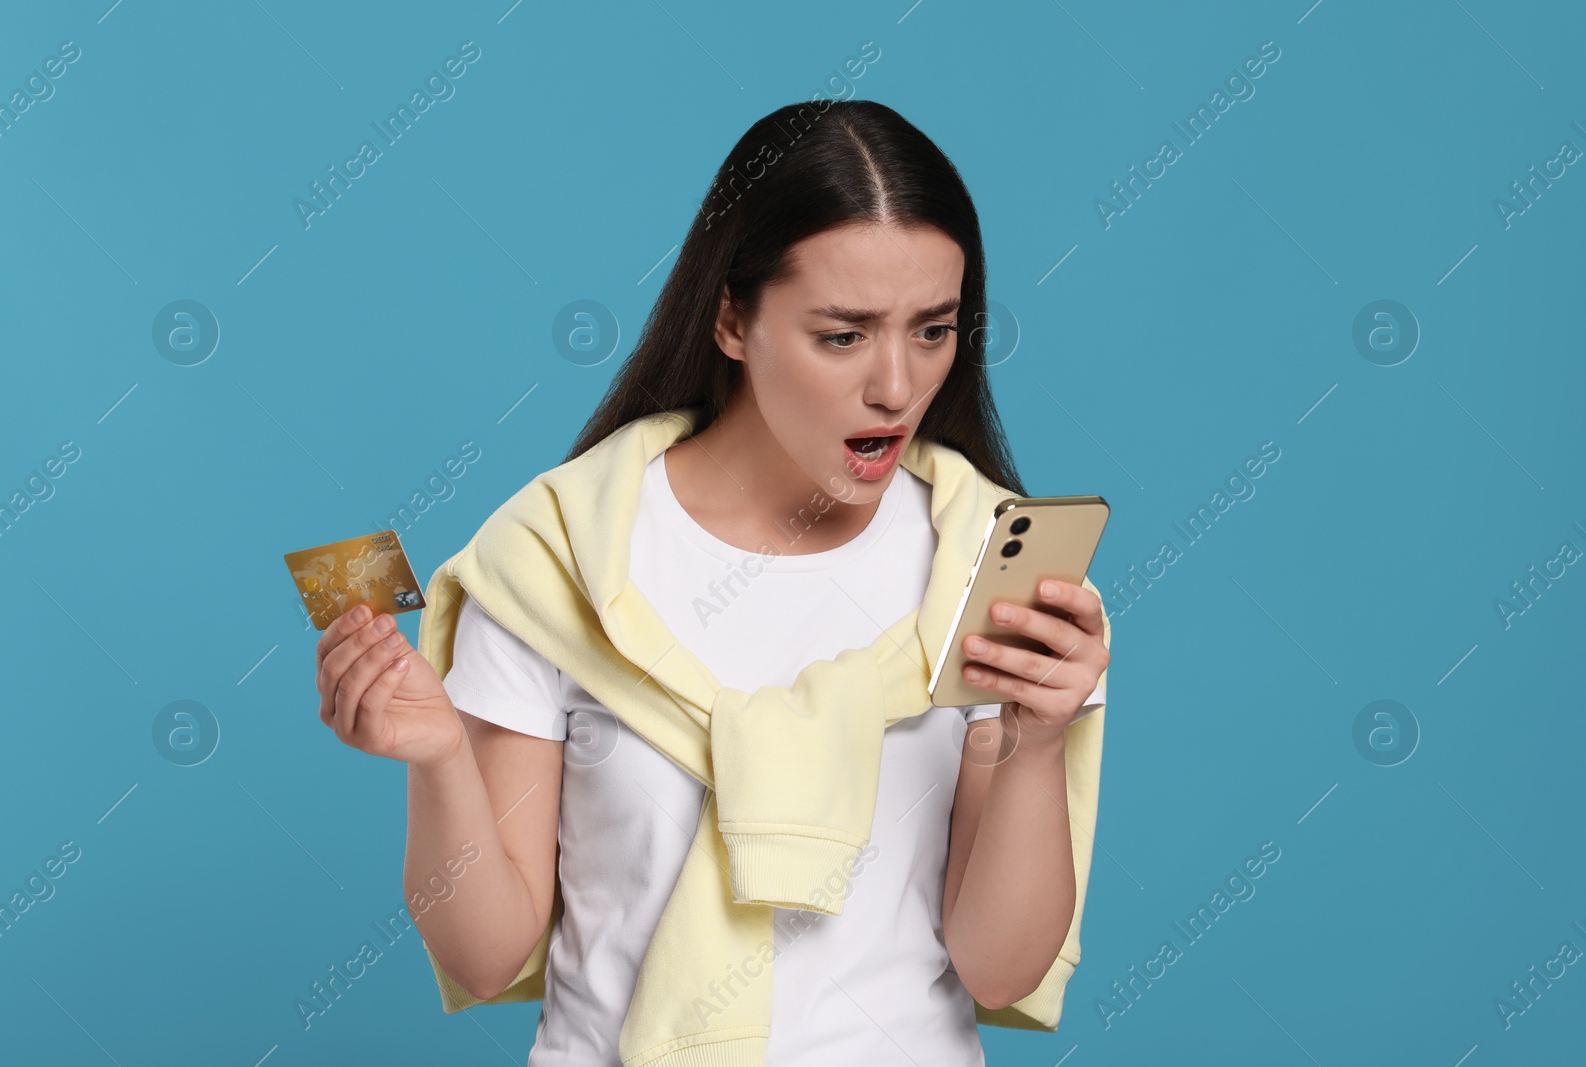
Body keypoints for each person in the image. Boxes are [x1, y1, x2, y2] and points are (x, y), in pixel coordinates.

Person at [313, 98, 1111, 1066]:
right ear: (732, 318)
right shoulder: (556, 555)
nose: (896, 387)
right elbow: (485, 958)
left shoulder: (991, 569)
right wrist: (438, 756)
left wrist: (1032, 746)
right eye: (843, 334)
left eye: (932, 329)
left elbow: (999, 969)